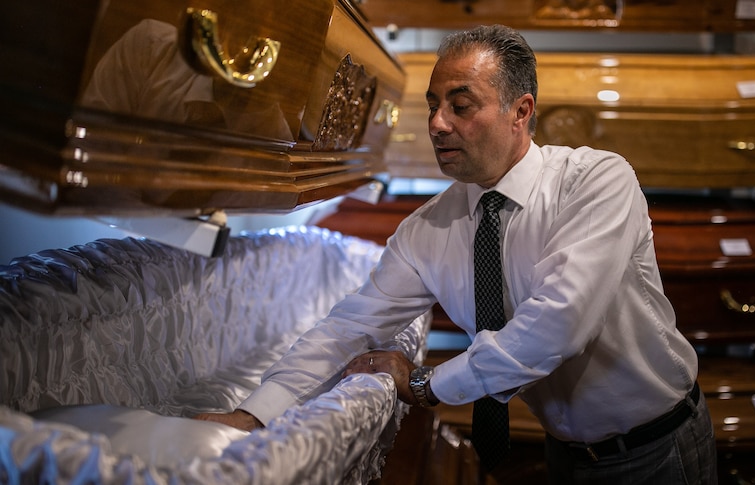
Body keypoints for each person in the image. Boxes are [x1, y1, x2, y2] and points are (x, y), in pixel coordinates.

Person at [196, 24, 718, 484]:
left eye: (460, 106)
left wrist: (426, 384)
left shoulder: (597, 182)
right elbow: (349, 326)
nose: (437, 124)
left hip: (657, 447)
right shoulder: (430, 228)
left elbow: (557, 325)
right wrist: (254, 416)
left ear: (521, 111)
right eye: (433, 105)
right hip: (564, 450)